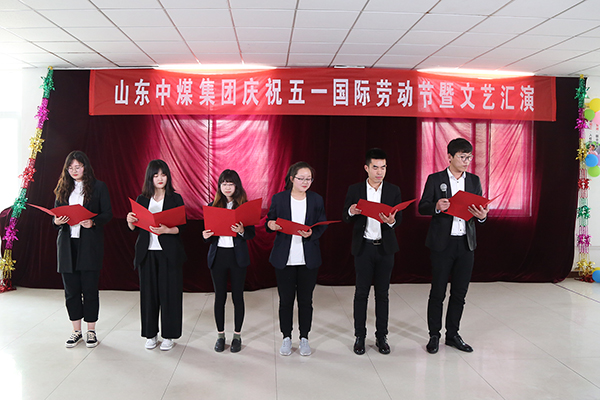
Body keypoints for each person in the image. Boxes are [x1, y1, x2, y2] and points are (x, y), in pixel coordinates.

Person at [418, 138, 488, 354]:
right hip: (442, 244)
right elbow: (422, 207)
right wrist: (436, 206)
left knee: (459, 293)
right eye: (462, 157)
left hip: (466, 244)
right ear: (449, 157)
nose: (466, 161)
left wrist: (482, 216)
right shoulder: (435, 179)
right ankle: (434, 335)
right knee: (438, 291)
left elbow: (479, 209)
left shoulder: (474, 181)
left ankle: (453, 335)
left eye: (469, 157)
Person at [343, 148, 402, 355]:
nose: (379, 172)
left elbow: (399, 219)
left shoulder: (393, 190)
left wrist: (392, 221)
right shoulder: (355, 189)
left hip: (385, 249)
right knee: (361, 293)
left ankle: (381, 336)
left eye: (383, 167)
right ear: (366, 168)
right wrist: (351, 211)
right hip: (364, 248)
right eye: (375, 167)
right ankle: (360, 336)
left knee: (382, 294)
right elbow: (345, 216)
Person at [266, 162, 327, 356]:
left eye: (309, 179)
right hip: (285, 258)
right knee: (285, 301)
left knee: (305, 301)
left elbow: (322, 224)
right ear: (292, 179)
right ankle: (286, 337)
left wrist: (312, 233)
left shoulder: (316, 199)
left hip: (308, 258)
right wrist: (271, 224)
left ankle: (304, 338)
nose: (305, 182)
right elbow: (269, 221)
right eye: (301, 178)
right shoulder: (279, 198)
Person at [53, 150, 112, 348]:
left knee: (89, 289)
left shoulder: (98, 187)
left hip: (89, 245)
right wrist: (57, 221)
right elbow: (56, 215)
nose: (74, 171)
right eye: (70, 168)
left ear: (85, 167)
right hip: (67, 245)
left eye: (77, 167)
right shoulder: (62, 188)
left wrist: (93, 222)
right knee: (71, 291)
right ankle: (76, 331)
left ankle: (91, 331)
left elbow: (107, 214)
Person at [126, 159, 187, 351]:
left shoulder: (175, 198)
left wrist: (167, 230)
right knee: (148, 295)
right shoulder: (142, 199)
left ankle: (169, 335)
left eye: (163, 174)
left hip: (169, 254)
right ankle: (150, 334)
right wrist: (130, 221)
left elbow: (183, 228)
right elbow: (134, 228)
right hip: (147, 253)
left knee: (170, 295)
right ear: (150, 178)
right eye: (156, 175)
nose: (160, 178)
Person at [202, 170, 255, 353]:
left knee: (238, 297)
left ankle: (237, 336)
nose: (227, 187)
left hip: (237, 257)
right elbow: (209, 235)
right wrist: (205, 235)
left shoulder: (244, 206)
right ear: (219, 186)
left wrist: (241, 231)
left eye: (230, 183)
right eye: (224, 183)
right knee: (220, 297)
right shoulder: (212, 206)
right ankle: (220, 336)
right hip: (218, 256)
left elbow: (251, 234)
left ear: (236, 186)